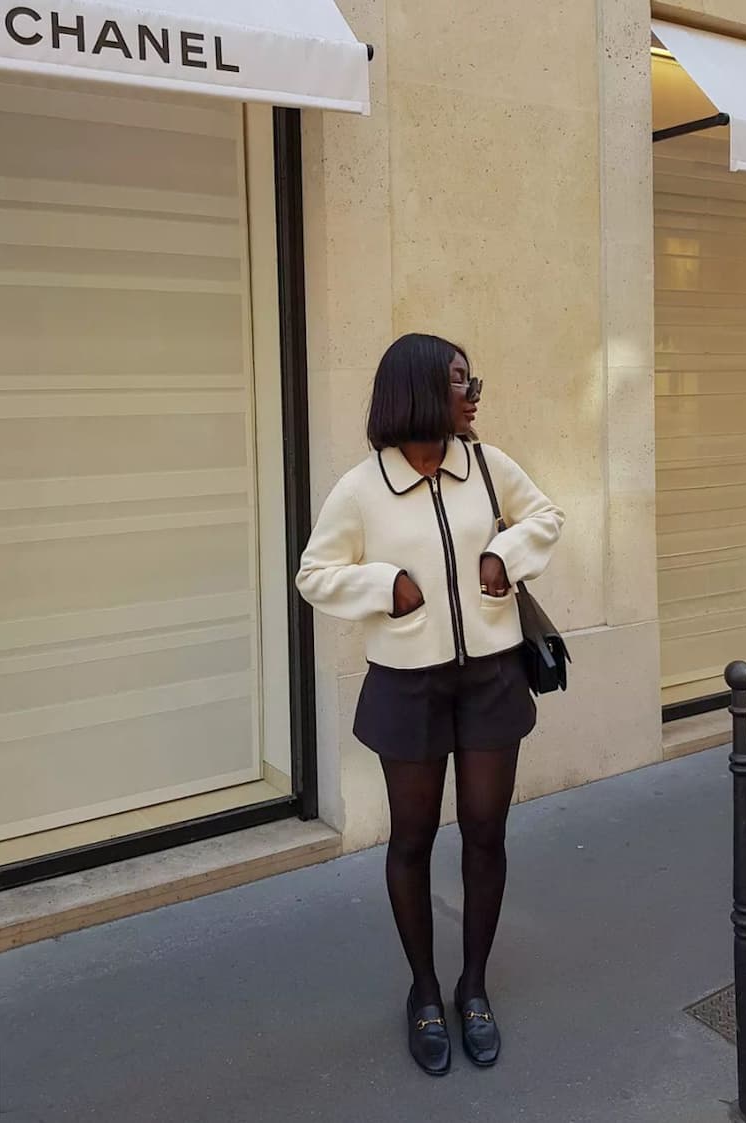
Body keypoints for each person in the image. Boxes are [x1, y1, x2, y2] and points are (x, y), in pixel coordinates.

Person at [296, 333, 564, 1075]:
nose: (472, 389)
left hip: (491, 678)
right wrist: (386, 585)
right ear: (417, 388)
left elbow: (545, 517)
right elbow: (314, 574)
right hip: (408, 684)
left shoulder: (484, 462)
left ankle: (473, 987)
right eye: (458, 379)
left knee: (485, 832)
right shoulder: (360, 488)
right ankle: (423, 989)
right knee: (412, 841)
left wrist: (502, 556)